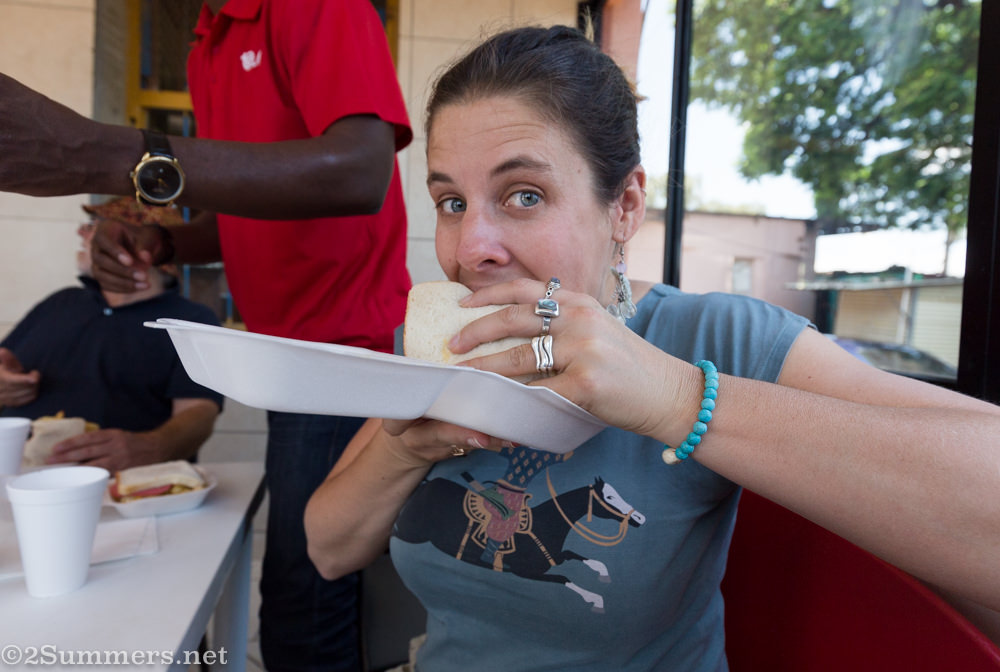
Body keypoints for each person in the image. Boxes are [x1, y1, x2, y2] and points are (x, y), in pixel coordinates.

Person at [302, 25, 1000, 671]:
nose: (469, 249)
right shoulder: (444, 342)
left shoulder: (715, 338)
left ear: (625, 207)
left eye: (524, 195)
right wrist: (405, 448)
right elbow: (328, 549)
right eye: (452, 203)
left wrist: (675, 397)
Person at [0, 1, 412, 669]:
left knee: (305, 608)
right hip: (277, 355)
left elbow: (359, 170)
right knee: (302, 595)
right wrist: (163, 242)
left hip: (339, 351)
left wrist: (106, 153)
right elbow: (246, 208)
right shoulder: (207, 43)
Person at [0, 197, 222, 472]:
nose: (81, 233)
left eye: (96, 226)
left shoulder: (191, 321)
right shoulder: (61, 302)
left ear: (137, 245)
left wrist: (154, 446)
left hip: (117, 484)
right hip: (13, 474)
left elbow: (200, 410)